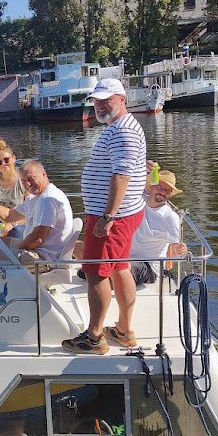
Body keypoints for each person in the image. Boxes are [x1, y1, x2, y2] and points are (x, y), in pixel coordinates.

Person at [62, 77, 148, 355]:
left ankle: (95, 338)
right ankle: (124, 330)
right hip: (122, 214)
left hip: (112, 218)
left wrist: (107, 217)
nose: (99, 105)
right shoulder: (122, 127)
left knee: (96, 273)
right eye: (96, 100)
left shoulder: (123, 131)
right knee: (120, 268)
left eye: (106, 100)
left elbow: (121, 175)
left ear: (122, 98)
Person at [0, 160, 76, 264]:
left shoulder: (48, 199)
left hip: (44, 257)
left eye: (31, 179)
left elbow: (37, 239)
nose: (28, 184)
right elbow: (8, 216)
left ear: (44, 174)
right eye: (23, 181)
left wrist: (15, 250)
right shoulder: (34, 198)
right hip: (35, 249)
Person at [130, 167, 188, 285]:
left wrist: (182, 250)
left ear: (170, 194)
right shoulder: (138, 201)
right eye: (160, 187)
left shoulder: (170, 217)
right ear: (151, 186)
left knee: (120, 267)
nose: (162, 192)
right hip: (125, 257)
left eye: (167, 190)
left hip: (150, 267)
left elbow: (177, 252)